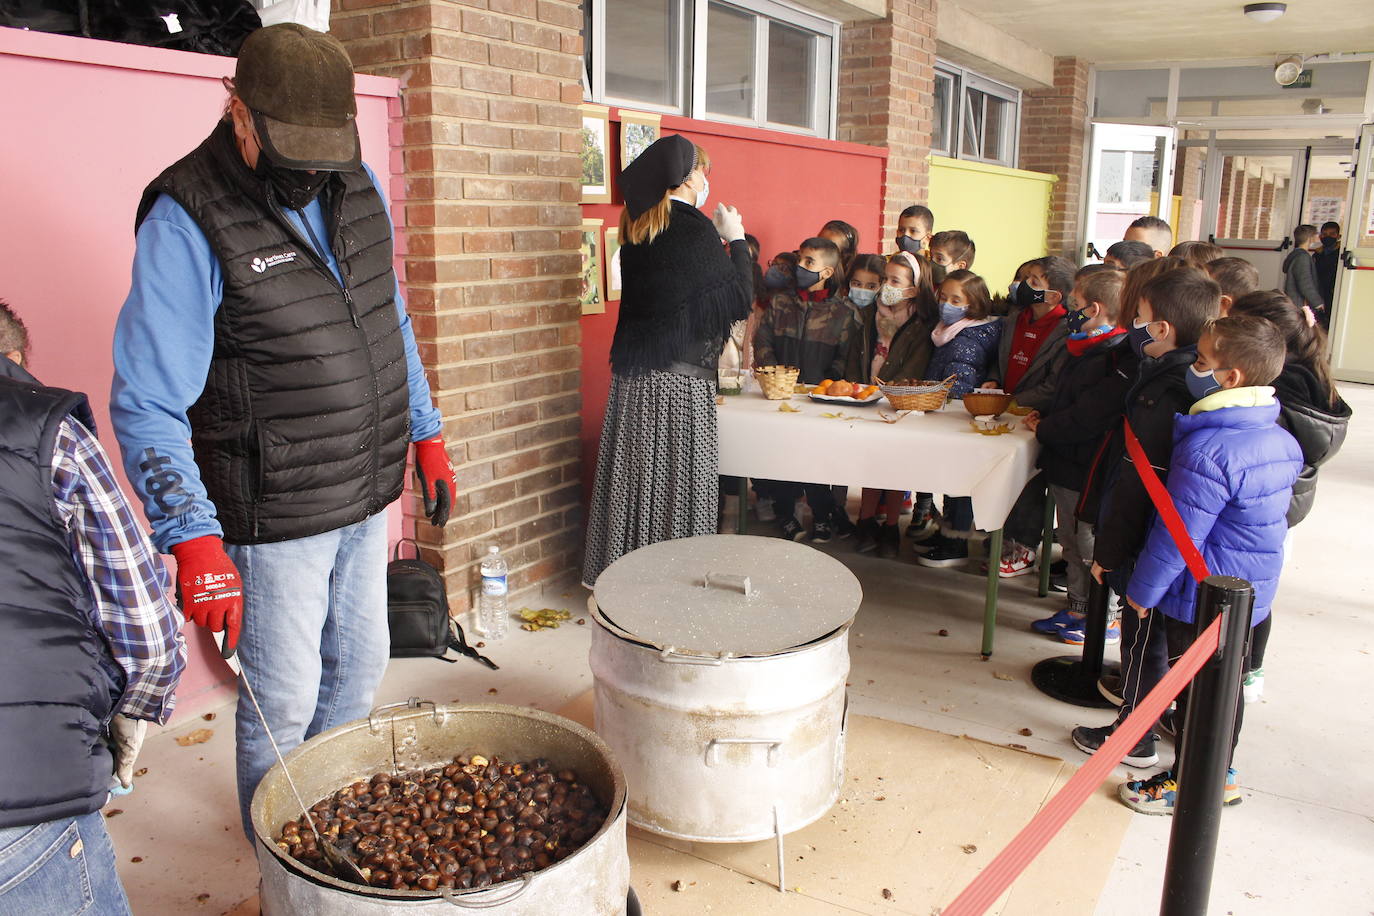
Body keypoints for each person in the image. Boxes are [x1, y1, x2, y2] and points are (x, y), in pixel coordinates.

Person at [110, 24, 457, 839]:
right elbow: (146, 401)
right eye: (292, 146)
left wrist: (427, 431)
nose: (312, 167)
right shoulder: (186, 215)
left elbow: (387, 319)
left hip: (363, 488)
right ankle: (283, 864)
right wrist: (193, 542)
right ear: (239, 114)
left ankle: (328, 826)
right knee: (286, 696)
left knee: (360, 668)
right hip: (274, 511)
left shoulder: (356, 181)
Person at [0, 302, 185, 913]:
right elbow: (146, 624)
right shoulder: (44, 429)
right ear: (17, 360)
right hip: (24, 798)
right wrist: (135, 709)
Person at [1118, 315, 1302, 814]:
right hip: (1248, 591)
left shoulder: (1209, 448)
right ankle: (1219, 770)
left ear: (1231, 378)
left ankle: (1197, 781)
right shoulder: (1280, 438)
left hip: (1199, 594)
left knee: (1198, 692)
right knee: (1224, 688)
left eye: (1201, 361)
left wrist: (1140, 592)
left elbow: (1178, 535)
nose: (1192, 370)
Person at [1071, 264, 1219, 766]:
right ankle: (1142, 726)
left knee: (1142, 638)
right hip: (1161, 538)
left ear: (1163, 329)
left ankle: (1134, 735)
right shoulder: (1180, 374)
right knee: (1147, 636)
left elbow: (1139, 481)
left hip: (1147, 539)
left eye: (1142, 319)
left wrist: (1108, 553)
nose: (1135, 328)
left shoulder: (1164, 389)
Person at [586, 134, 753, 578]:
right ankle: (672, 578)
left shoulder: (641, 226)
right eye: (702, 171)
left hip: (637, 380)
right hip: (678, 384)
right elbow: (737, 299)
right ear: (685, 176)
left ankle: (627, 575)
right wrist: (736, 241)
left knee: (636, 481)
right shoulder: (689, 226)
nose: (705, 180)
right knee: (678, 484)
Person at [1227, 290, 1352, 701]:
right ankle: (1249, 672)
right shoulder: (1314, 379)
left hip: (1260, 510)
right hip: (1284, 510)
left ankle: (1231, 684)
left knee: (1242, 597)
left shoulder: (1278, 392)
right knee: (1258, 592)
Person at [1023, 266, 1129, 646]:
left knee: (1088, 546)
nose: (1070, 309)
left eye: (1076, 304)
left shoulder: (1111, 357)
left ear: (1096, 309)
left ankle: (1107, 617)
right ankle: (1079, 607)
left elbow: (1087, 416)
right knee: (1069, 540)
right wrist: (1046, 417)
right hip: (1066, 464)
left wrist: (1047, 428)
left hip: (1086, 469)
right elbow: (1067, 401)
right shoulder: (1083, 348)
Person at [976, 256, 1073, 578]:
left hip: (1033, 414)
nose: (1021, 285)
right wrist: (994, 382)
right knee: (998, 475)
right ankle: (999, 535)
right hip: (1003, 409)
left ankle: (1025, 545)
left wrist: (1012, 401)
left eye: (1033, 281)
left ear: (1054, 296)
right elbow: (1000, 360)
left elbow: (1053, 384)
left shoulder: (1065, 329)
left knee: (1029, 483)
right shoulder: (1016, 318)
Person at [753, 236, 852, 541]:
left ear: (827, 273)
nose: (800, 267)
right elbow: (763, 340)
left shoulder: (841, 312)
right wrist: (775, 373)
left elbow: (843, 357)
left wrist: (826, 386)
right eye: (800, 260)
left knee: (816, 460)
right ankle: (786, 514)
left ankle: (821, 516)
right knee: (782, 458)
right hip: (780, 394)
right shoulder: (781, 302)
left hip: (818, 401)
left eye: (809, 263)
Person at [839, 252, 937, 557]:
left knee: (895, 468)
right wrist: (858, 388)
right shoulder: (871, 314)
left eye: (896, 281)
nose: (887, 286)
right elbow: (858, 353)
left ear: (914, 288)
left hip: (899, 404)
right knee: (870, 466)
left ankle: (891, 525)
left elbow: (916, 366)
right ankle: (866, 520)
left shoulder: (921, 325)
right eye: (886, 279)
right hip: (868, 398)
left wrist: (891, 393)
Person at [914, 270, 1002, 568]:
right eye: (943, 297)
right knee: (949, 480)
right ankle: (947, 532)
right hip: (943, 411)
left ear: (973, 304)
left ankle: (956, 540)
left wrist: (945, 406)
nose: (946, 304)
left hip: (955, 416)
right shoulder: (948, 330)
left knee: (959, 483)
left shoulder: (968, 338)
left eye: (956, 299)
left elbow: (960, 379)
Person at [1283, 223, 1326, 323]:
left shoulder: (1295, 254)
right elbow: (1305, 283)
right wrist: (1318, 303)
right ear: (1310, 237)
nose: (1318, 237)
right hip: (1300, 302)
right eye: (1316, 234)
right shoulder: (1303, 257)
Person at [1313, 221, 1340, 316]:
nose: (1328, 237)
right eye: (1324, 234)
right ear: (1320, 236)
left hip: (1334, 291)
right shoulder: (1317, 254)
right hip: (1320, 290)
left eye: (1332, 234)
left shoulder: (1340, 253)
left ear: (1338, 236)